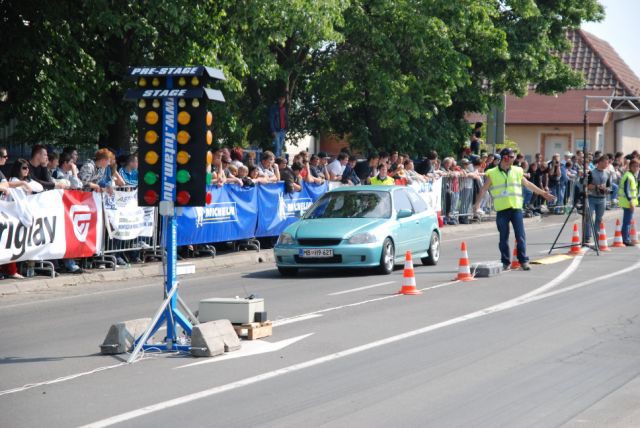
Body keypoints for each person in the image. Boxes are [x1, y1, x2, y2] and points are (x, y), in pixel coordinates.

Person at [474, 148, 556, 271]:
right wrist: (477, 205)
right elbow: (484, 189)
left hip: (516, 208)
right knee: (503, 237)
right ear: (505, 157)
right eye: (511, 157)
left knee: (520, 235)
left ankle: (523, 261)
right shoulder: (492, 172)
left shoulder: (517, 171)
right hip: (502, 209)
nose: (513, 159)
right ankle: (505, 262)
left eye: (513, 157)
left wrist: (543, 193)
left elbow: (528, 184)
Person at [584, 155, 612, 244]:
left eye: (608, 163)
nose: (607, 165)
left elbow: (609, 186)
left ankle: (597, 237)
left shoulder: (607, 173)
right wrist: (597, 186)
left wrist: (606, 189)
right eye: (606, 163)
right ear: (600, 162)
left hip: (602, 199)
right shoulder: (591, 172)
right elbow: (587, 186)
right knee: (589, 216)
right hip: (592, 198)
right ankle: (587, 236)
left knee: (599, 219)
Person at [618, 159, 638, 246]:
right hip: (628, 202)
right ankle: (625, 239)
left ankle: (625, 238)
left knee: (627, 221)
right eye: (634, 166)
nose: (636, 168)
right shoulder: (628, 175)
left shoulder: (631, 175)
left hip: (628, 201)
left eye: (637, 166)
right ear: (630, 166)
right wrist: (630, 201)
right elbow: (627, 190)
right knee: (627, 221)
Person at [268, 92, 288, 157]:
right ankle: (276, 161)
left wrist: (286, 129)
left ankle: (278, 161)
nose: (281, 101)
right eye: (280, 99)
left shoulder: (285, 108)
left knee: (280, 148)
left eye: (283, 99)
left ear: (284, 100)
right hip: (276, 130)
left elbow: (286, 119)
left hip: (283, 130)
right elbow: (271, 120)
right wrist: (273, 130)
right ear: (278, 99)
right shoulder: (274, 108)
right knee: (277, 147)